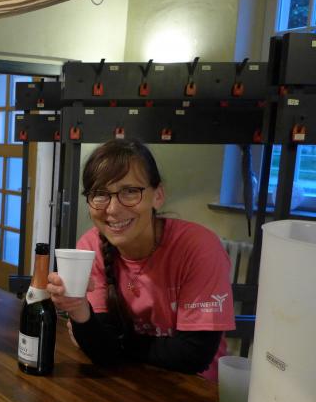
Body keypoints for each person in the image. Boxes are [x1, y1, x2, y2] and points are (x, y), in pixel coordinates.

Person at [47, 139, 235, 378]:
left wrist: (117, 342)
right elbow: (102, 351)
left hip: (193, 389)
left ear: (158, 195)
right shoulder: (90, 247)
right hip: (126, 382)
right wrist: (78, 309)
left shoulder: (198, 248)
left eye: (130, 191)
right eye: (100, 194)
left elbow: (193, 354)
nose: (113, 209)